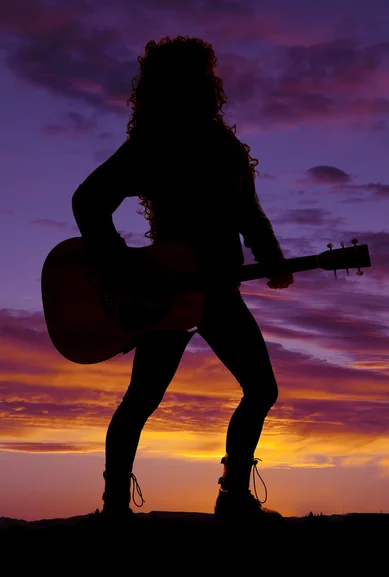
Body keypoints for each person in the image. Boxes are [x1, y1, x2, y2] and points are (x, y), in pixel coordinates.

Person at [72, 35, 294, 525]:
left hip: (216, 292)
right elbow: (88, 201)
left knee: (257, 389)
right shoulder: (152, 145)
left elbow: (248, 215)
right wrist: (126, 267)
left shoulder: (221, 147)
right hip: (163, 294)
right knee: (147, 399)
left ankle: (228, 497)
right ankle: (117, 509)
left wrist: (272, 259)